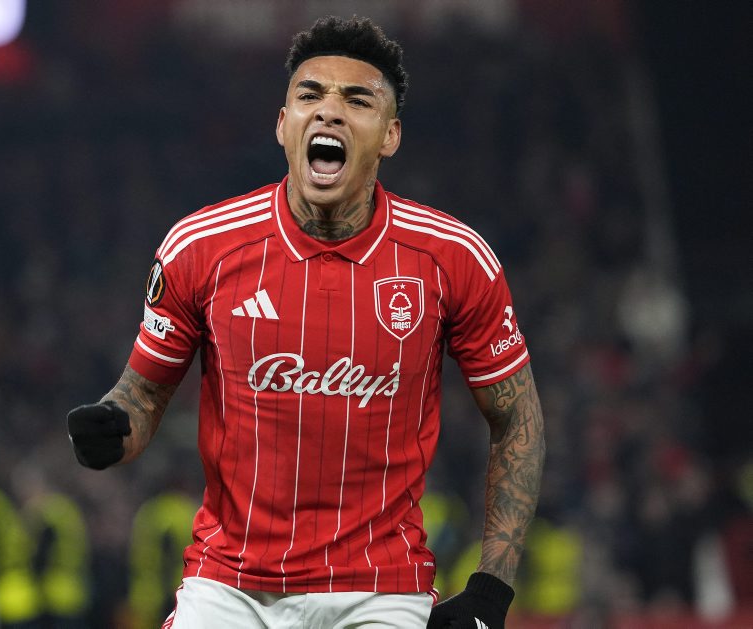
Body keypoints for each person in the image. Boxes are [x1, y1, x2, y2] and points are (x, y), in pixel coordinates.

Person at [67, 15, 545, 629]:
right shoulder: (201, 248)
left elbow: (517, 416)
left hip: (380, 591)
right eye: (310, 94)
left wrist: (491, 588)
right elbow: (142, 397)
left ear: (390, 135)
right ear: (283, 123)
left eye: (357, 100)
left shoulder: (452, 259)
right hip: (230, 587)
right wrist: (111, 429)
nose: (329, 111)